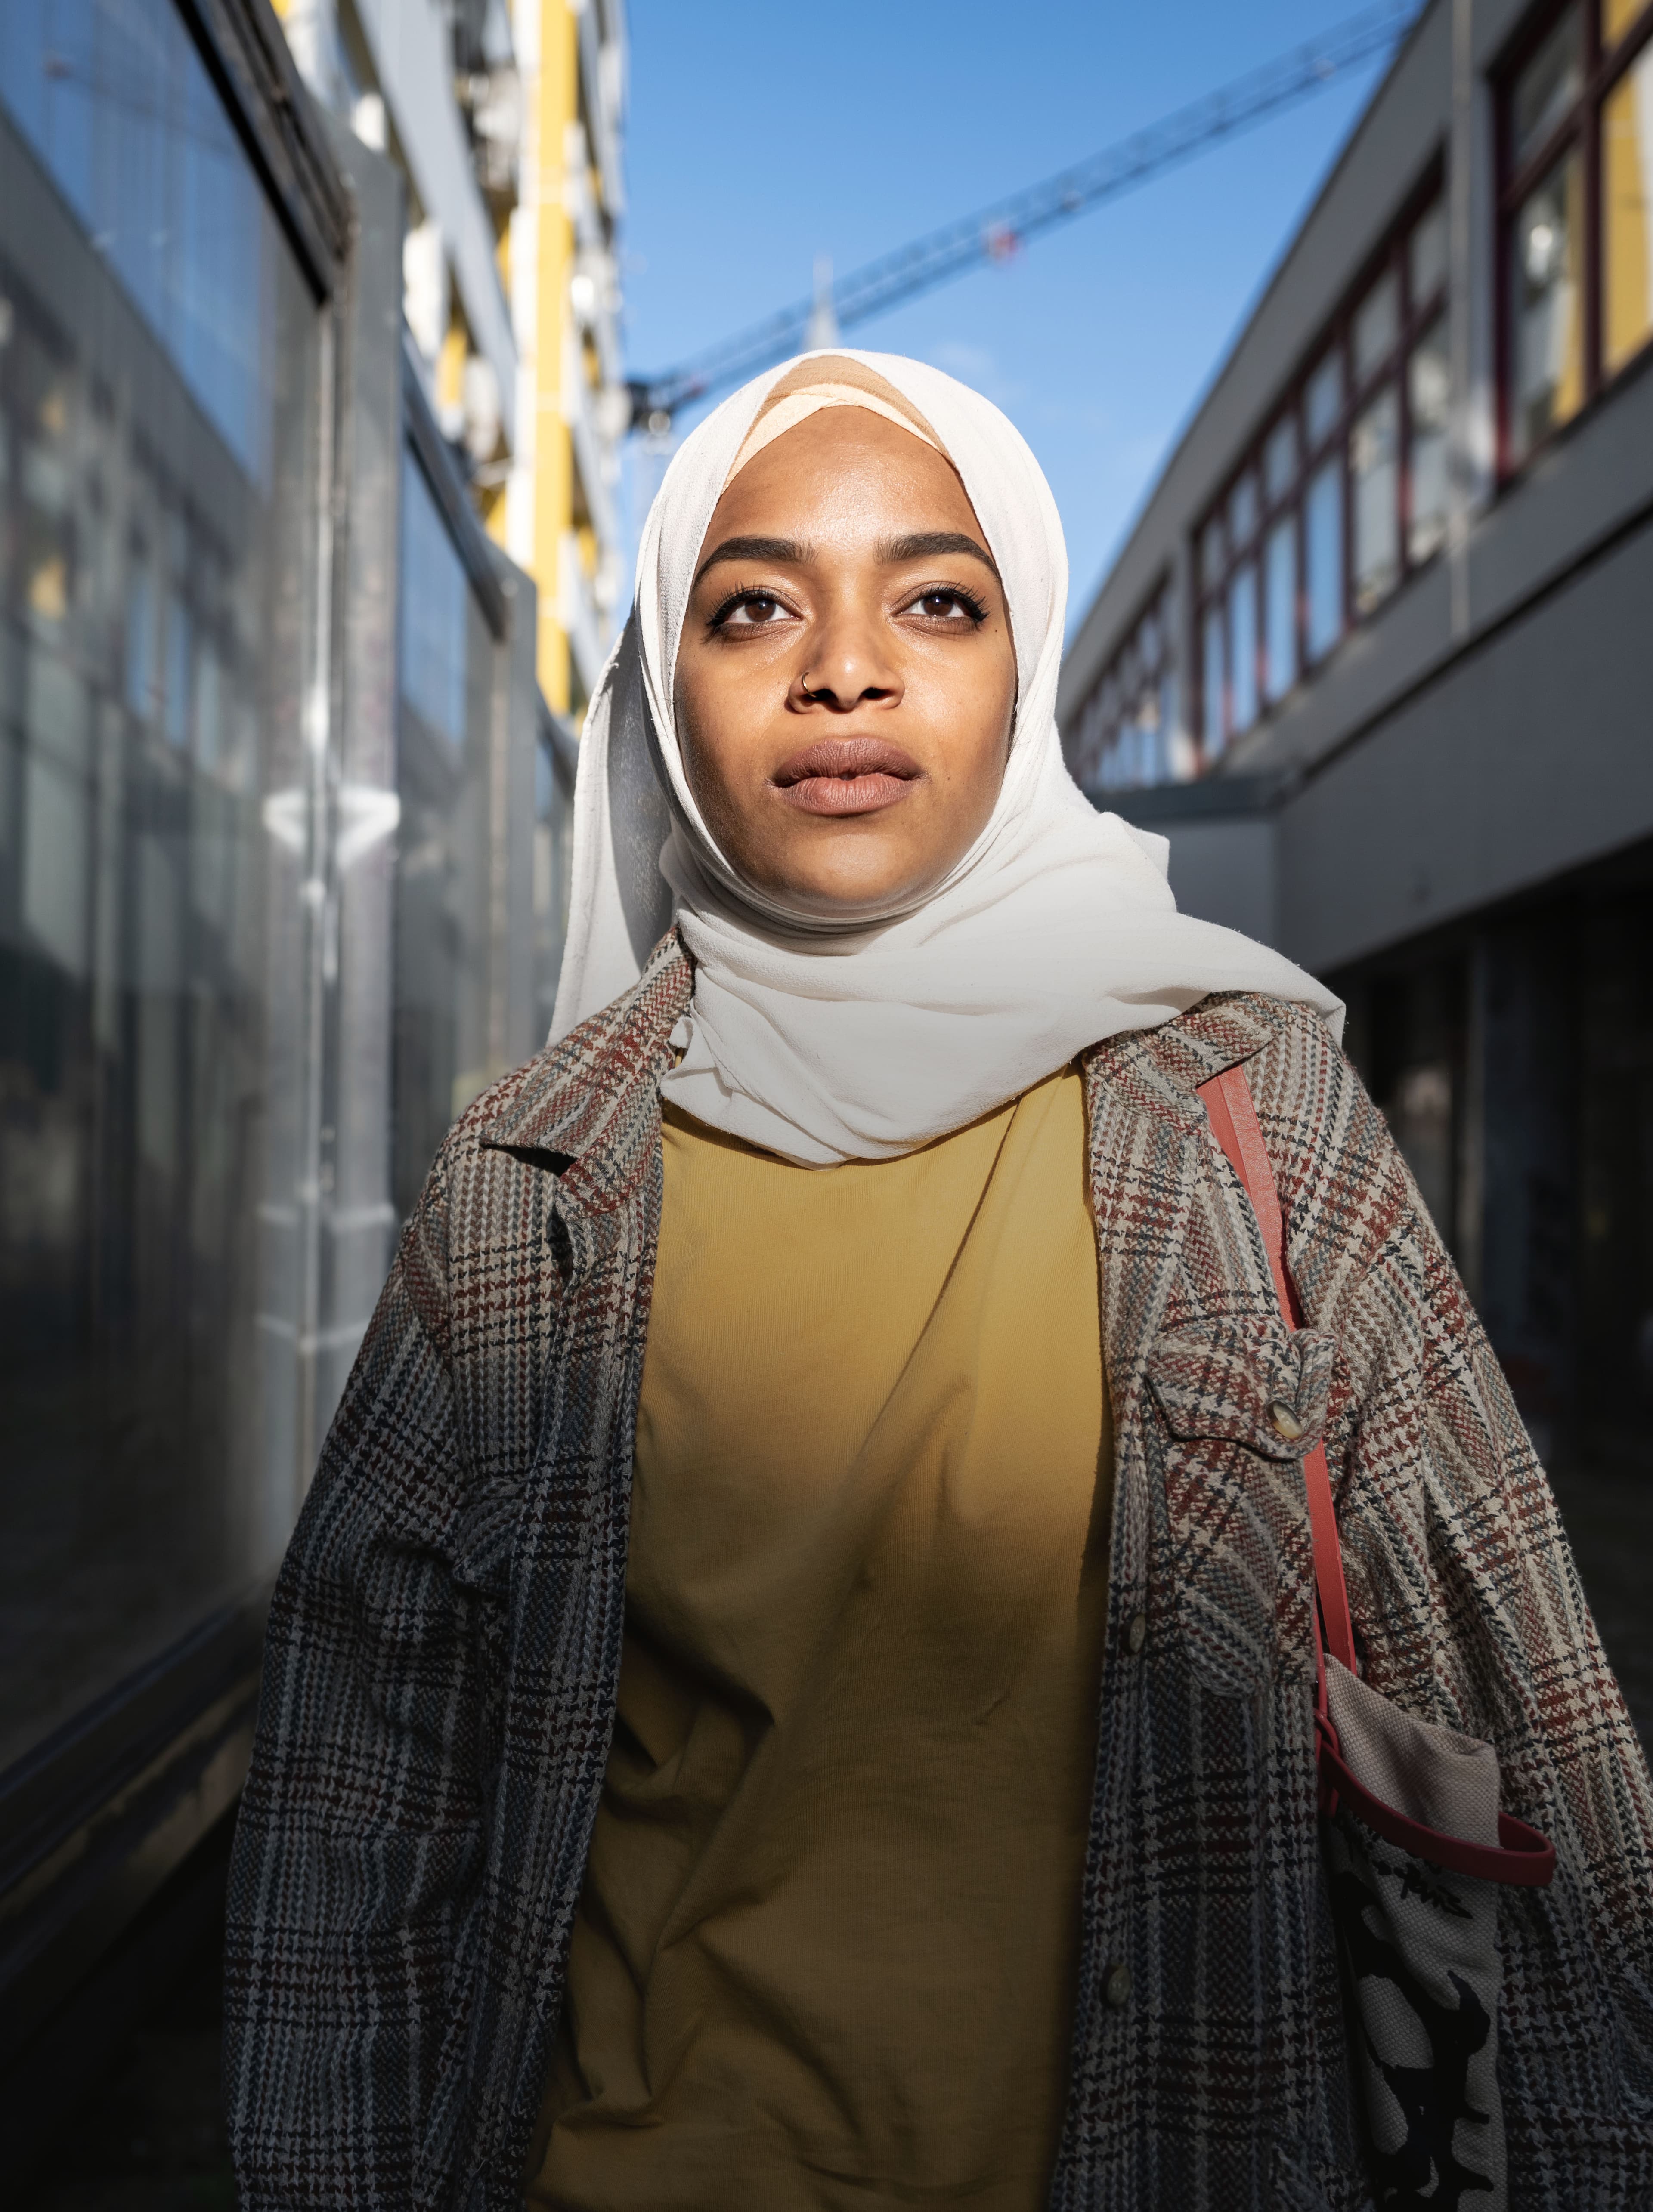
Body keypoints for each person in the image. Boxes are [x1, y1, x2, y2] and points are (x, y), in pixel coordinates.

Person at [224, 352, 1653, 2212]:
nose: (846, 666)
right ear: (671, 682)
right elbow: (361, 1815)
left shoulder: (1246, 1110)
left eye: (936, 599)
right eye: (753, 606)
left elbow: (1523, 1699)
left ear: (1024, 659)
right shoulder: (525, 1188)